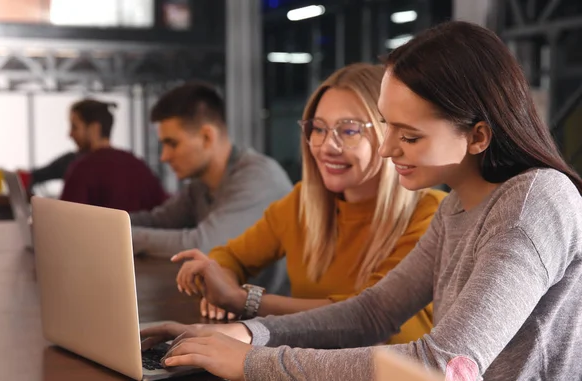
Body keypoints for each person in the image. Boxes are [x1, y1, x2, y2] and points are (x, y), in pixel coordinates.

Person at [140, 21, 582, 381]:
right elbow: (374, 312)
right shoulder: (456, 207)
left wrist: (252, 363)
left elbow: (444, 366)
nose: (388, 149)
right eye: (387, 126)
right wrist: (245, 334)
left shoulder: (534, 201)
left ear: (479, 135)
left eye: (409, 135)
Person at [170, 63, 445, 347]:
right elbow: (230, 257)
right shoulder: (303, 203)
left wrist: (243, 300)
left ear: (388, 133)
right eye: (319, 129)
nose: (327, 146)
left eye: (348, 130)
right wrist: (220, 285)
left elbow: (364, 317)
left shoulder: (432, 214)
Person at [130, 82, 293, 295]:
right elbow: (158, 221)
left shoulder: (258, 176)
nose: (164, 156)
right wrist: (108, 225)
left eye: (172, 143)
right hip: (231, 310)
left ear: (207, 137)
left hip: (273, 318)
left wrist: (122, 238)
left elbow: (204, 246)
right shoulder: (200, 185)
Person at [60, 99, 167, 213]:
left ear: (94, 128)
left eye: (74, 127)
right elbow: (163, 208)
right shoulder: (138, 165)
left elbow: (66, 219)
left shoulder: (82, 170)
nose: (70, 134)